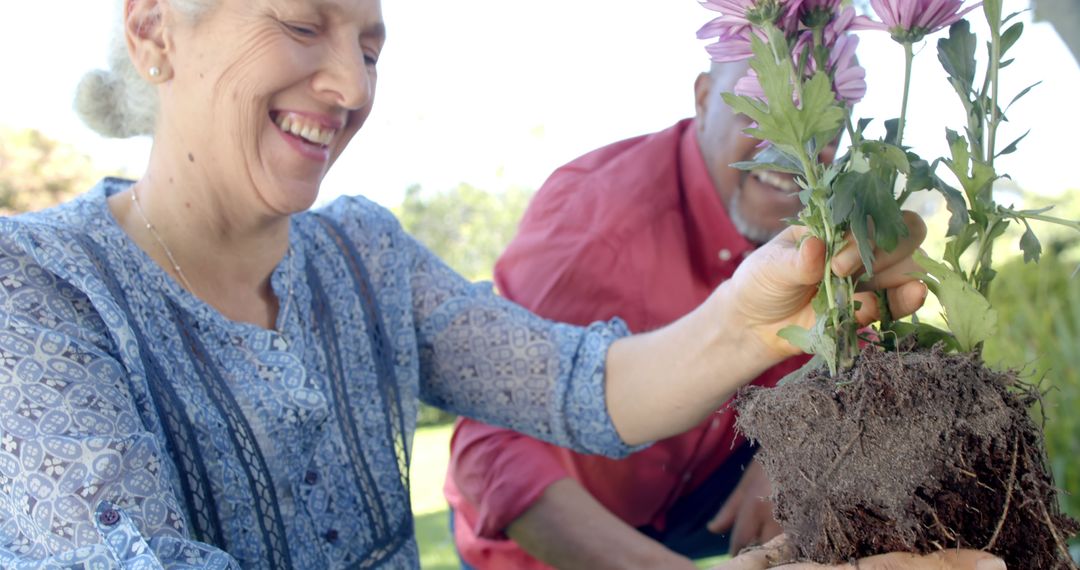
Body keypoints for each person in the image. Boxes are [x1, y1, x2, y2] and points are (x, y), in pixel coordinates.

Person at [0, 0, 997, 569]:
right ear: (153, 29)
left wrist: (757, 322)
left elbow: (576, 386)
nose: (352, 86)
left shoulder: (364, 255)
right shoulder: (40, 293)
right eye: (303, 23)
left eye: (371, 45)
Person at [442, 61, 813, 570]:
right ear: (704, 98)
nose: (796, 144)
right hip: (550, 530)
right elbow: (492, 441)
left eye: (825, 115)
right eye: (761, 107)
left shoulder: (823, 213)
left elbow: (852, 354)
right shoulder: (592, 222)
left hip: (696, 495)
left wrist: (792, 450)